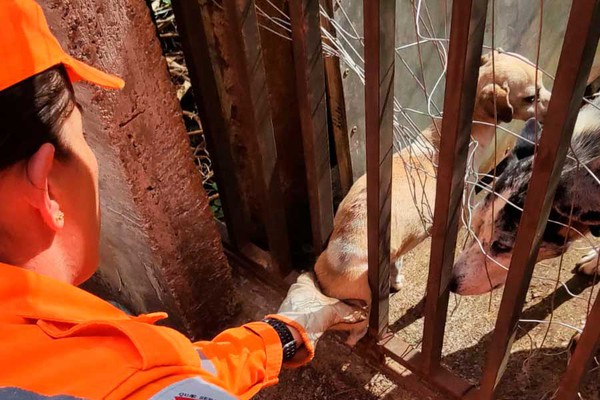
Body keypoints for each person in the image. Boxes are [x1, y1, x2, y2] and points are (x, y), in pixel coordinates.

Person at [0, 1, 366, 399]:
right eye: (83, 135)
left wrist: (285, 332)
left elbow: (181, 377)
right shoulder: (118, 378)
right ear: (47, 188)